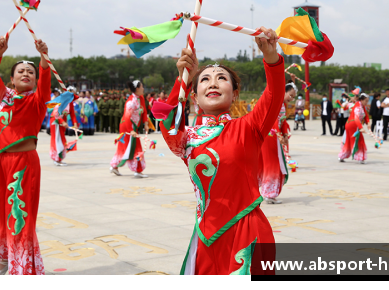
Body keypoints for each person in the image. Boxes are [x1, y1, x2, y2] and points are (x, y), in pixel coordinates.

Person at [154, 27, 282, 275]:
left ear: (234, 94)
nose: (213, 82)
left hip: (246, 233)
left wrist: (271, 57)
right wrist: (183, 77)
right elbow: (167, 120)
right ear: (194, 98)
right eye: (204, 79)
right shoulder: (187, 138)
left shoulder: (248, 128)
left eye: (221, 78)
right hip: (204, 236)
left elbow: (274, 95)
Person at [0, 36, 51, 275]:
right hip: (2, 163)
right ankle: (5, 263)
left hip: (24, 165)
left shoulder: (38, 101)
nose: (26, 74)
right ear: (11, 79)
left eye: (30, 72)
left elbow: (44, 82)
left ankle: (22, 267)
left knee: (19, 215)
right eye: (20, 71)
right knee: (1, 215)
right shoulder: (5, 97)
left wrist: (44, 58)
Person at [259, 81, 296, 204]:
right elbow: (273, 120)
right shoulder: (275, 102)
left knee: (277, 165)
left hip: (275, 137)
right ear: (283, 92)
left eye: (293, 97)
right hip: (270, 137)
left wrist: (285, 134)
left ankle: (271, 193)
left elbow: (283, 122)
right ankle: (268, 193)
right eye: (290, 95)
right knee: (272, 165)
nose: (291, 98)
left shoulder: (282, 105)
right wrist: (280, 135)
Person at [110, 81, 149, 178]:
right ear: (137, 89)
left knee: (124, 148)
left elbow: (144, 112)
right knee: (136, 147)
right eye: (142, 87)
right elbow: (127, 117)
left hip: (133, 127)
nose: (143, 89)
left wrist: (146, 123)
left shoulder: (141, 98)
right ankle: (138, 170)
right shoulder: (131, 102)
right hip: (127, 126)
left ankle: (114, 166)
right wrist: (130, 130)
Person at [338, 93, 371, 164]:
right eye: (365, 101)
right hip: (352, 125)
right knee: (359, 141)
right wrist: (361, 127)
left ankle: (341, 156)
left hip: (353, 125)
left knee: (349, 142)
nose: (367, 102)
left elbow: (366, 116)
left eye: (367, 101)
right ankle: (360, 158)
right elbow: (356, 118)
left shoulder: (362, 106)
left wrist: (368, 123)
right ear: (361, 100)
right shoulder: (358, 106)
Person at [50, 88, 79, 166]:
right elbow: (55, 113)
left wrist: (75, 123)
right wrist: (62, 122)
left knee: (62, 139)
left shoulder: (70, 103)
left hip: (63, 123)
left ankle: (59, 158)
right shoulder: (60, 101)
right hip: (55, 122)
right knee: (57, 139)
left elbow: (72, 114)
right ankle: (56, 159)